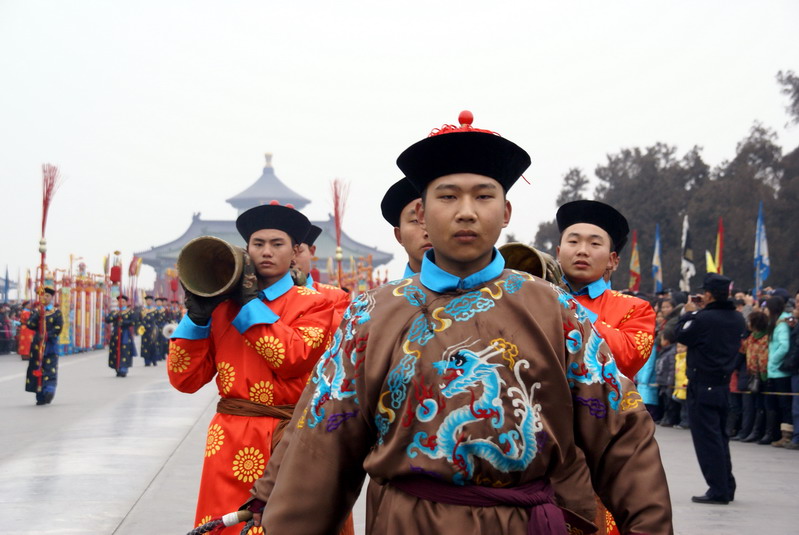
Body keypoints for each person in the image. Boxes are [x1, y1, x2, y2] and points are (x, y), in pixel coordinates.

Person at [245, 112, 672, 534]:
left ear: (505, 212)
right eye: (447, 197)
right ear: (422, 212)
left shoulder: (554, 309)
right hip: (406, 522)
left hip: (523, 522)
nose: (466, 212)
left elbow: (620, 433)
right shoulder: (372, 314)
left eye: (483, 197)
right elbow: (322, 443)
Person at [168, 202, 337, 534]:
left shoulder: (316, 303)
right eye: (258, 244)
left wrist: (249, 305)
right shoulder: (220, 307)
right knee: (223, 525)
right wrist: (197, 318)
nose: (266, 252)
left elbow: (290, 359)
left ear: (295, 252)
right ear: (247, 250)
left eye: (278, 244)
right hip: (228, 439)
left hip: (290, 440)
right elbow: (184, 379)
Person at [555, 200, 656, 379]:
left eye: (594, 244)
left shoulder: (637, 309)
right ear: (558, 253)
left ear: (613, 261)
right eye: (573, 241)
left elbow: (629, 359)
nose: (582, 251)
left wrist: (568, 308)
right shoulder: (533, 296)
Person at [675, 273, 745, 505]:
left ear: (707, 294)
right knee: (720, 438)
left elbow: (681, 334)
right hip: (723, 385)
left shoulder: (702, 318)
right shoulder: (737, 319)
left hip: (702, 385)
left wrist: (689, 312)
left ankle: (718, 489)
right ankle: (727, 484)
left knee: (707, 441)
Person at [294, 224, 351, 322]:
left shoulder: (336, 297)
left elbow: (339, 332)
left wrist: (307, 292)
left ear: (311, 251)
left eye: (298, 251)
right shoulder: (260, 296)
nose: (291, 258)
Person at [380, 176, 432, 277]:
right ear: (399, 236)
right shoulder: (384, 293)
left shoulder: (471, 292)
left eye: (435, 220)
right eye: (416, 221)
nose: (427, 232)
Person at [759, 296, 793, 446]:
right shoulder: (775, 323)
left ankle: (787, 435)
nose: (764, 311)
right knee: (773, 403)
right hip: (773, 371)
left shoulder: (782, 324)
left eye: (766, 308)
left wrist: (772, 362)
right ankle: (776, 433)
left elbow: (783, 346)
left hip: (779, 371)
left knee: (784, 404)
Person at [25, 286, 63, 405]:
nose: (44, 298)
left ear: (51, 298)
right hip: (37, 345)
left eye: (47, 296)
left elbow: (58, 328)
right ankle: (39, 395)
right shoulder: (36, 311)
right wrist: (38, 313)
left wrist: (47, 335)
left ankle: (49, 391)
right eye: (43, 295)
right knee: (37, 368)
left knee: (49, 368)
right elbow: (30, 324)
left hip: (50, 345)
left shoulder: (56, 313)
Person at [737, 311, 769, 442]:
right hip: (751, 375)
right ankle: (750, 431)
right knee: (753, 405)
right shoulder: (750, 338)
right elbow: (741, 350)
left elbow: (763, 357)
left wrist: (762, 373)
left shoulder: (765, 338)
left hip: (762, 375)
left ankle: (759, 431)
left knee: (762, 405)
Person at [106, 295, 137, 377]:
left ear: (126, 303)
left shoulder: (130, 312)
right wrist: (116, 316)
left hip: (125, 334)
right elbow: (107, 319)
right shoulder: (115, 312)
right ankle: (117, 367)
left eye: (123, 301)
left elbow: (134, 321)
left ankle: (124, 368)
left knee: (125, 350)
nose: (121, 303)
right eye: (119, 301)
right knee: (115, 350)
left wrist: (124, 323)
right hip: (116, 333)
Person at [138, 295, 160, 366]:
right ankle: (146, 361)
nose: (149, 301)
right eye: (147, 300)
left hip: (152, 329)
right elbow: (139, 319)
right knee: (145, 345)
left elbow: (158, 319)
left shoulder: (155, 310)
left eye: (150, 300)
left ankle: (154, 359)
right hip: (144, 330)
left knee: (153, 344)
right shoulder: (142, 310)